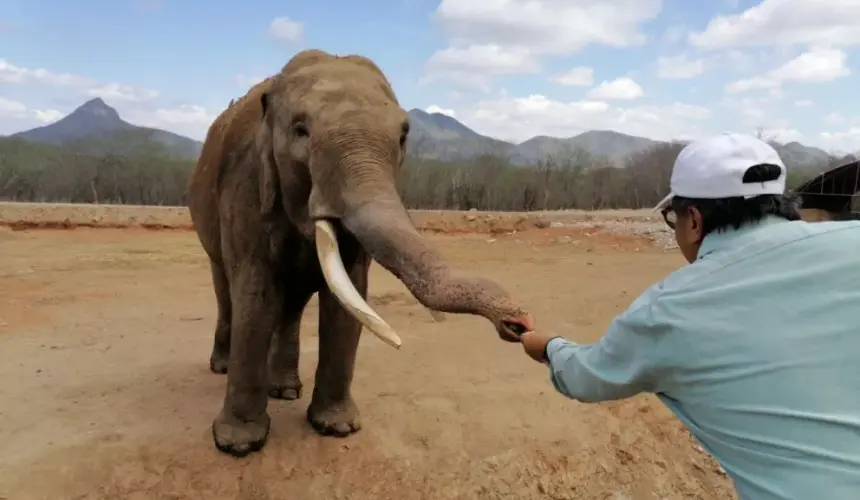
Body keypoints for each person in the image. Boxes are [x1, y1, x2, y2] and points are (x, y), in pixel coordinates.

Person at [518, 133, 860, 499]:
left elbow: (586, 377)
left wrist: (548, 345)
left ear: (693, 220)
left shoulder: (670, 309)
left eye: (673, 218)